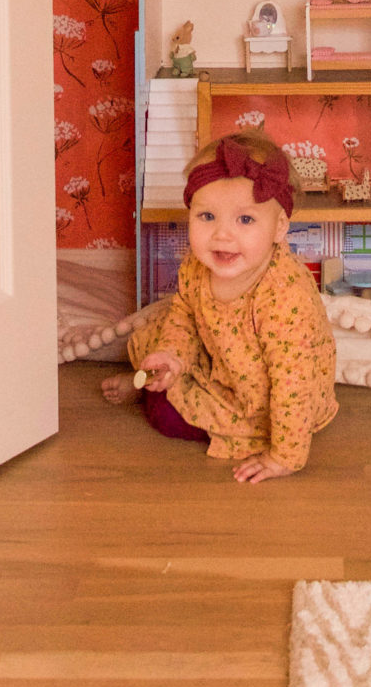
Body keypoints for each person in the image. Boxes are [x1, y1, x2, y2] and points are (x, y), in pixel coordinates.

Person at [101, 130, 337, 483]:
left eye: (245, 220)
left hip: (264, 396)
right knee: (155, 344)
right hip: (221, 359)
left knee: (165, 416)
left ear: (279, 227)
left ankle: (153, 392)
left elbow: (293, 383)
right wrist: (172, 353)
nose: (222, 235)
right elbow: (183, 315)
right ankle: (151, 377)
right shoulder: (197, 267)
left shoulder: (284, 297)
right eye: (207, 217)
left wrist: (284, 455)